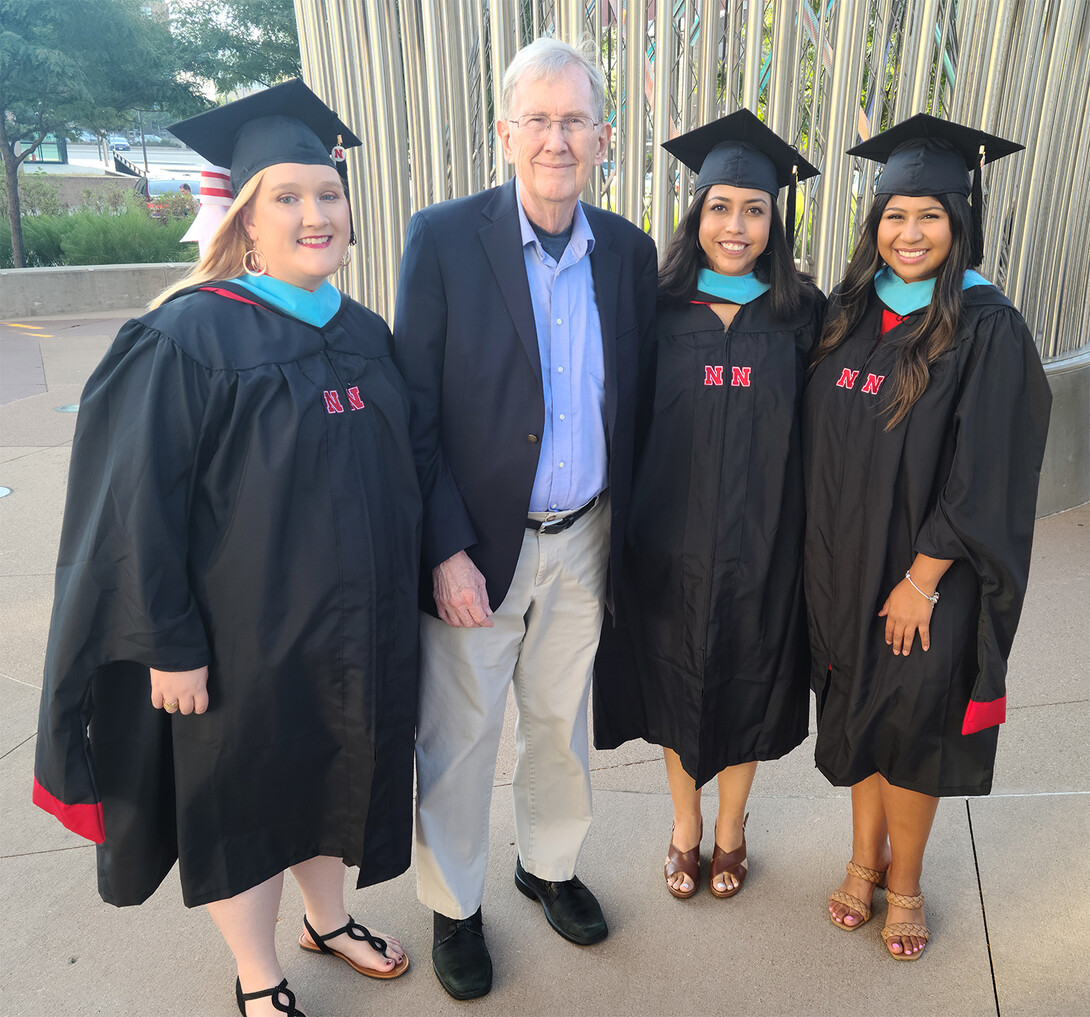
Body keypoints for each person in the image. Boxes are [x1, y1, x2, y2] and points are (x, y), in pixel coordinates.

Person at [32, 79, 422, 1016]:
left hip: (354, 634)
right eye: (286, 197)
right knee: (249, 806)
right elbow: (135, 507)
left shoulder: (364, 333)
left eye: (326, 193)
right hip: (241, 644)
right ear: (246, 217)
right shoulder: (187, 335)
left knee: (339, 779)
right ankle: (259, 972)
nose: (313, 214)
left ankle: (326, 921)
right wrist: (170, 641)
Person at [392, 37, 656, 1000]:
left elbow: (633, 394)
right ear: (504, 133)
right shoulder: (444, 239)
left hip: (585, 533)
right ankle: (454, 904)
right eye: (537, 120)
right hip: (478, 545)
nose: (557, 139)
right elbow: (414, 409)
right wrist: (444, 549)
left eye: (575, 120)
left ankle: (546, 862)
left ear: (603, 137)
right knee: (459, 734)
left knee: (558, 720)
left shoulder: (625, 252)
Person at [803, 114, 1051, 961]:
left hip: (924, 579)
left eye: (930, 216)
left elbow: (987, 471)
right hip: (845, 566)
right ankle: (860, 861)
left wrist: (921, 577)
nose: (909, 235)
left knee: (911, 727)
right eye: (894, 216)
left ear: (960, 220)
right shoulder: (847, 315)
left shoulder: (987, 326)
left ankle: (903, 882)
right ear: (874, 223)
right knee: (863, 714)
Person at [593, 110, 823, 899]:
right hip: (669, 539)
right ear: (697, 213)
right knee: (674, 680)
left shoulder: (802, 313)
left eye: (754, 209)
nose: (736, 225)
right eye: (720, 207)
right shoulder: (658, 307)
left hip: (765, 541)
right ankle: (684, 826)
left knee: (749, 677)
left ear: (774, 220)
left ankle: (732, 829)